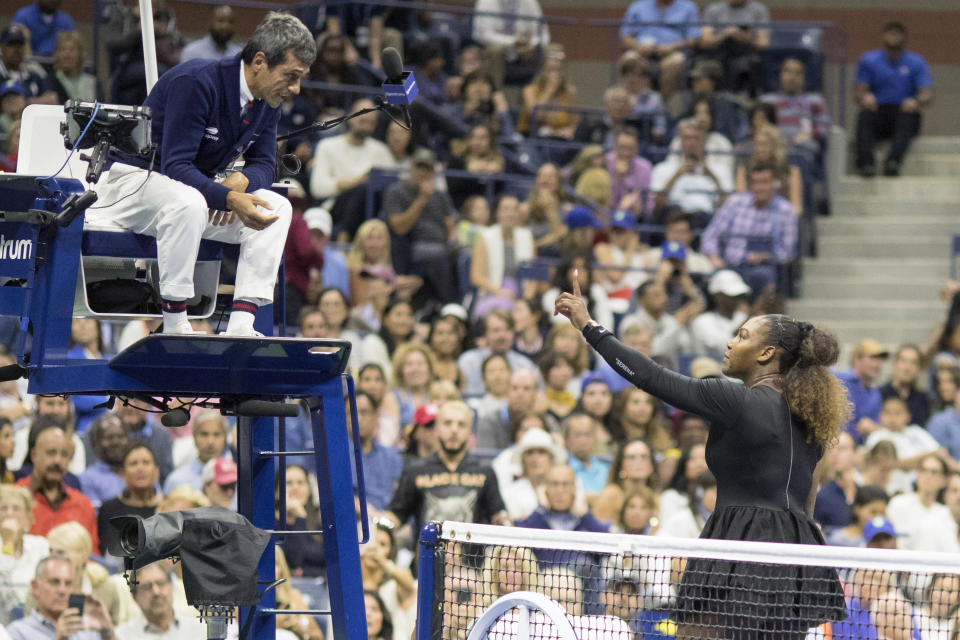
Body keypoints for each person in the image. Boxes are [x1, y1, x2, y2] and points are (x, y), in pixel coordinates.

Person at [554, 276, 850, 637]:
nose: (729, 342)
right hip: (797, 555)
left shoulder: (734, 400)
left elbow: (652, 378)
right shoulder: (812, 422)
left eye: (741, 336)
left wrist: (590, 327)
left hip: (741, 542)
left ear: (766, 354)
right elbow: (807, 504)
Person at [90, 13, 315, 337]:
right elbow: (176, 166)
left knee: (277, 208)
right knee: (189, 203)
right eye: (291, 75)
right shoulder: (197, 82)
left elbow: (265, 164)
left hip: (193, 192)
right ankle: (175, 323)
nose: (296, 88)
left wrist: (240, 183)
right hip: (130, 183)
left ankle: (241, 323)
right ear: (260, 62)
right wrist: (225, 197)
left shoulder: (268, 99)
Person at [384, 401, 511, 534]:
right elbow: (396, 515)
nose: (454, 430)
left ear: (469, 432)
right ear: (437, 429)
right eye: (447, 423)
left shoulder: (485, 472)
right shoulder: (415, 471)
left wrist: (506, 524)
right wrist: (379, 524)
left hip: (471, 554)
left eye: (461, 425)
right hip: (426, 553)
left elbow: (499, 515)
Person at [699, 162, 798, 298]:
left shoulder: (786, 210)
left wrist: (765, 256)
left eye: (764, 182)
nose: (759, 188)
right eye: (755, 182)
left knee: (763, 278)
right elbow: (710, 235)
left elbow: (787, 253)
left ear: (775, 184)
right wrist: (714, 256)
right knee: (712, 277)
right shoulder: (735, 202)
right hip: (729, 264)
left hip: (761, 268)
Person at [854, 21, 933, 177]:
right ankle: (866, 164)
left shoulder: (917, 62)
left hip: (903, 112)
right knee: (864, 116)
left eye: (897, 33)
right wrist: (865, 97)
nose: (893, 36)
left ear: (904, 37)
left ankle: (893, 162)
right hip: (878, 110)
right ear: (883, 36)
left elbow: (927, 94)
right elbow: (858, 92)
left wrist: (916, 101)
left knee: (908, 117)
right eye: (890, 32)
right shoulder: (869, 60)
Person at [309, 97, 394, 240]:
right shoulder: (327, 146)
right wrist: (357, 182)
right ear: (351, 117)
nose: (366, 127)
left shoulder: (381, 150)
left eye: (371, 123)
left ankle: (347, 235)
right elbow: (318, 188)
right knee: (363, 188)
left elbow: (391, 184)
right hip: (334, 206)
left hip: (370, 209)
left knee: (369, 191)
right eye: (362, 121)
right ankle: (344, 235)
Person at [384, 148, 459, 304]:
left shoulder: (440, 194)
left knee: (465, 256)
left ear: (433, 172)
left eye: (427, 168)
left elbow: (450, 221)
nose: (422, 172)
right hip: (413, 245)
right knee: (435, 253)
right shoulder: (397, 191)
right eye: (419, 167)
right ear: (411, 167)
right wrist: (422, 198)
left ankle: (461, 302)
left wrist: (453, 239)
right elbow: (399, 227)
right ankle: (450, 303)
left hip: (442, 245)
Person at [16, 426, 98, 551]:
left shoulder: (83, 504)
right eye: (51, 452)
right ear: (34, 455)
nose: (57, 460)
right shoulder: (14, 499)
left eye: (64, 455)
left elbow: (91, 556)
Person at [649, 118, 733, 227]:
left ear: (704, 141)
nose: (692, 143)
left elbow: (727, 207)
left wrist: (712, 177)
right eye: (687, 138)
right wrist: (676, 176)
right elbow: (657, 208)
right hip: (673, 217)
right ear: (680, 141)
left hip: (706, 218)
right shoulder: (662, 168)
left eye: (696, 138)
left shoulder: (720, 170)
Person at [6, 556, 114, 640]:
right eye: (54, 582)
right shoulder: (17, 632)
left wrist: (107, 632)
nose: (62, 590)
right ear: (36, 587)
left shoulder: (86, 627)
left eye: (68, 583)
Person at [619, 0, 701, 103]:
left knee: (675, 62)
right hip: (642, 52)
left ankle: (659, 106)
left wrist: (672, 47)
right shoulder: (638, 7)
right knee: (629, 59)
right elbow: (625, 37)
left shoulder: (688, 7)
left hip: (672, 52)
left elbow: (693, 40)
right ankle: (636, 106)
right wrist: (638, 47)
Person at [97, 443, 162, 558]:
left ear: (156, 472)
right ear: (123, 473)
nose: (140, 468)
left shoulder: (167, 507)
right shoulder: (109, 509)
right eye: (133, 463)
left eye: (146, 462)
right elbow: (105, 553)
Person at [115, 560, 207, 639]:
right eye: (147, 587)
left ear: (171, 587)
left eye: (160, 583)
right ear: (135, 597)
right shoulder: (122, 636)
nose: (156, 592)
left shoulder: (201, 630)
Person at [699, 0, 770, 97]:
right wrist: (725, 34)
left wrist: (741, 35)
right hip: (718, 54)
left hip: (747, 55)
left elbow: (764, 43)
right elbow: (705, 41)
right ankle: (707, 103)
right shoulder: (713, 9)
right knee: (702, 68)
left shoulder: (759, 10)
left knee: (747, 64)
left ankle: (747, 100)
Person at [0, 485, 49, 623]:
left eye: (16, 508)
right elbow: (6, 596)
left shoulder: (40, 546)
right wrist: (7, 544)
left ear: (29, 517)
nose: (9, 513)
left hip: (35, 619)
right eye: (3, 508)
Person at [760, 57, 831, 151]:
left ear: (803, 77)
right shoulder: (767, 101)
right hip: (774, 147)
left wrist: (811, 135)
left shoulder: (815, 100)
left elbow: (825, 127)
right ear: (781, 74)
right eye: (788, 72)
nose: (792, 77)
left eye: (797, 73)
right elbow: (759, 126)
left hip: (803, 147)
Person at [689, 270, 751, 361]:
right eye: (732, 295)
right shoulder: (702, 321)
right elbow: (725, 347)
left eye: (739, 295)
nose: (736, 299)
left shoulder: (742, 317)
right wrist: (750, 317)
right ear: (716, 296)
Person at [837, 338, 889, 444]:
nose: (877, 364)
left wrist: (874, 428)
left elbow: (877, 426)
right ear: (857, 359)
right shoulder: (840, 381)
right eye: (873, 358)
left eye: (880, 360)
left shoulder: (875, 394)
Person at [163, 410, 229, 494]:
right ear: (194, 437)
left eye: (216, 434)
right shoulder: (176, 480)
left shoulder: (238, 478)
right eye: (204, 434)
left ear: (225, 438)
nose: (210, 442)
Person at [879, 344, 930, 429]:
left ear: (919, 369)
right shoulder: (880, 394)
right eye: (903, 361)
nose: (907, 367)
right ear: (894, 365)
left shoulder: (923, 399)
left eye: (913, 363)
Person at [11, 0, 76, 59]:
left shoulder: (66, 21)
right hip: (29, 65)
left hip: (57, 67)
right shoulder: (22, 16)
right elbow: (13, 50)